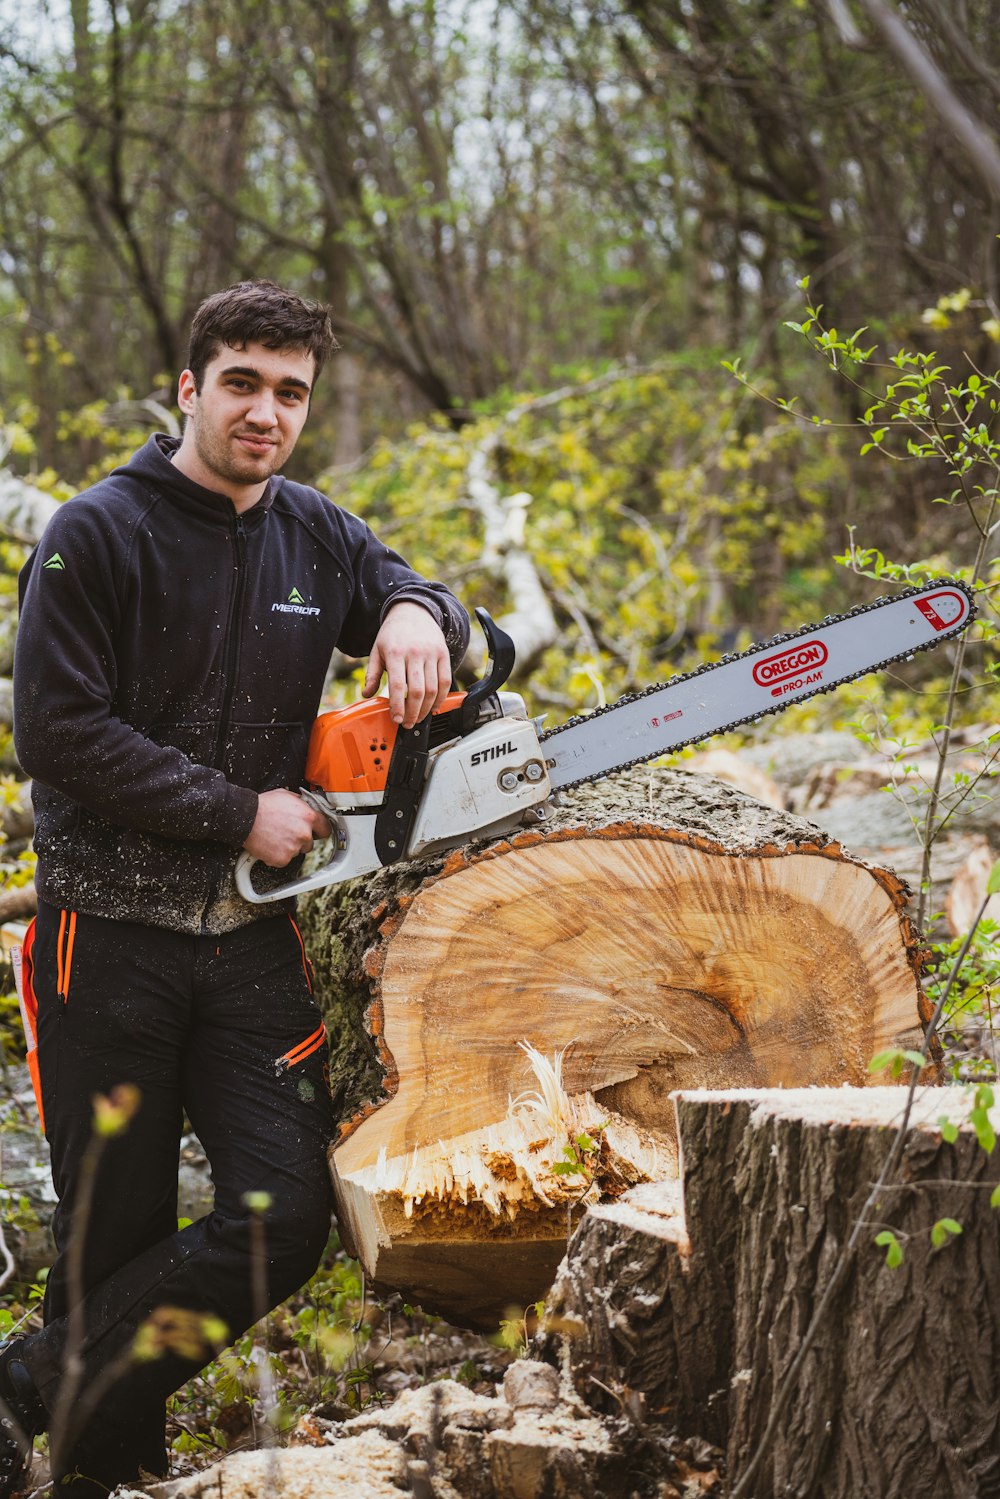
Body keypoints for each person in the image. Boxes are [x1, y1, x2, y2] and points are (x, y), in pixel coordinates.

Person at [4, 280, 470, 1496]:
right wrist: (237, 811)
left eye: (291, 392)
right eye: (244, 384)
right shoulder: (97, 529)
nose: (267, 411)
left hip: (251, 946)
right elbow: (54, 731)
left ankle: (20, 1385)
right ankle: (102, 1476)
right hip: (104, 941)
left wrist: (421, 609)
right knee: (115, 1230)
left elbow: (441, 614)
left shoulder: (313, 529)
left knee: (281, 1216)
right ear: (190, 388)